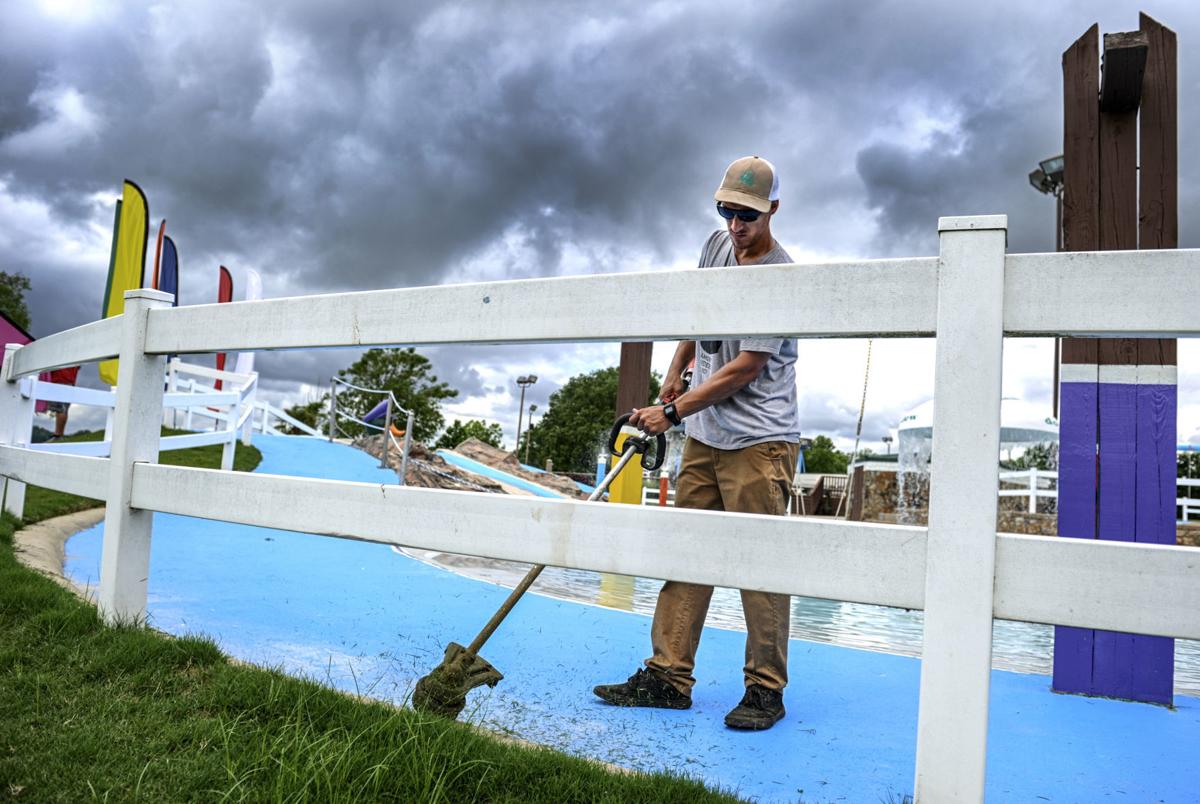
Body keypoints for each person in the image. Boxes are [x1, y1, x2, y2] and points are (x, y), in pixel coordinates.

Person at [594, 156, 801, 730]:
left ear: (773, 210)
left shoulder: (780, 276)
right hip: (708, 437)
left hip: (761, 442)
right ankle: (667, 677)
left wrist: (671, 411)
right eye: (727, 211)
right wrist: (675, 368)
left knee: (757, 568)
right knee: (687, 553)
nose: (736, 225)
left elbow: (745, 368)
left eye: (748, 216)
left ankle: (765, 691)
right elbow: (697, 315)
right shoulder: (715, 246)